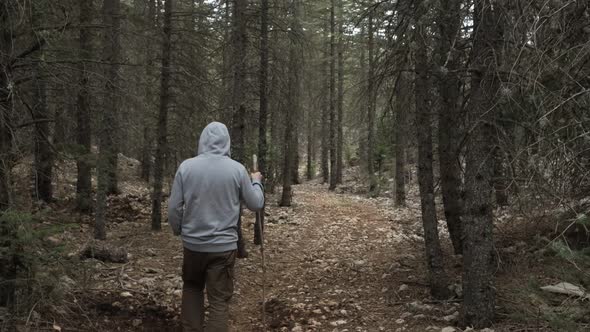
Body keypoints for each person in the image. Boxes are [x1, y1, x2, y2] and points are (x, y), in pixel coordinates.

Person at [168, 122, 264, 332]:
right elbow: (256, 204)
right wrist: (256, 181)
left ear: (202, 140)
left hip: (193, 246)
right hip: (223, 248)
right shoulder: (237, 170)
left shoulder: (186, 167)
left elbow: (174, 208)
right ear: (227, 142)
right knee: (219, 300)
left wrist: (179, 230)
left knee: (192, 288)